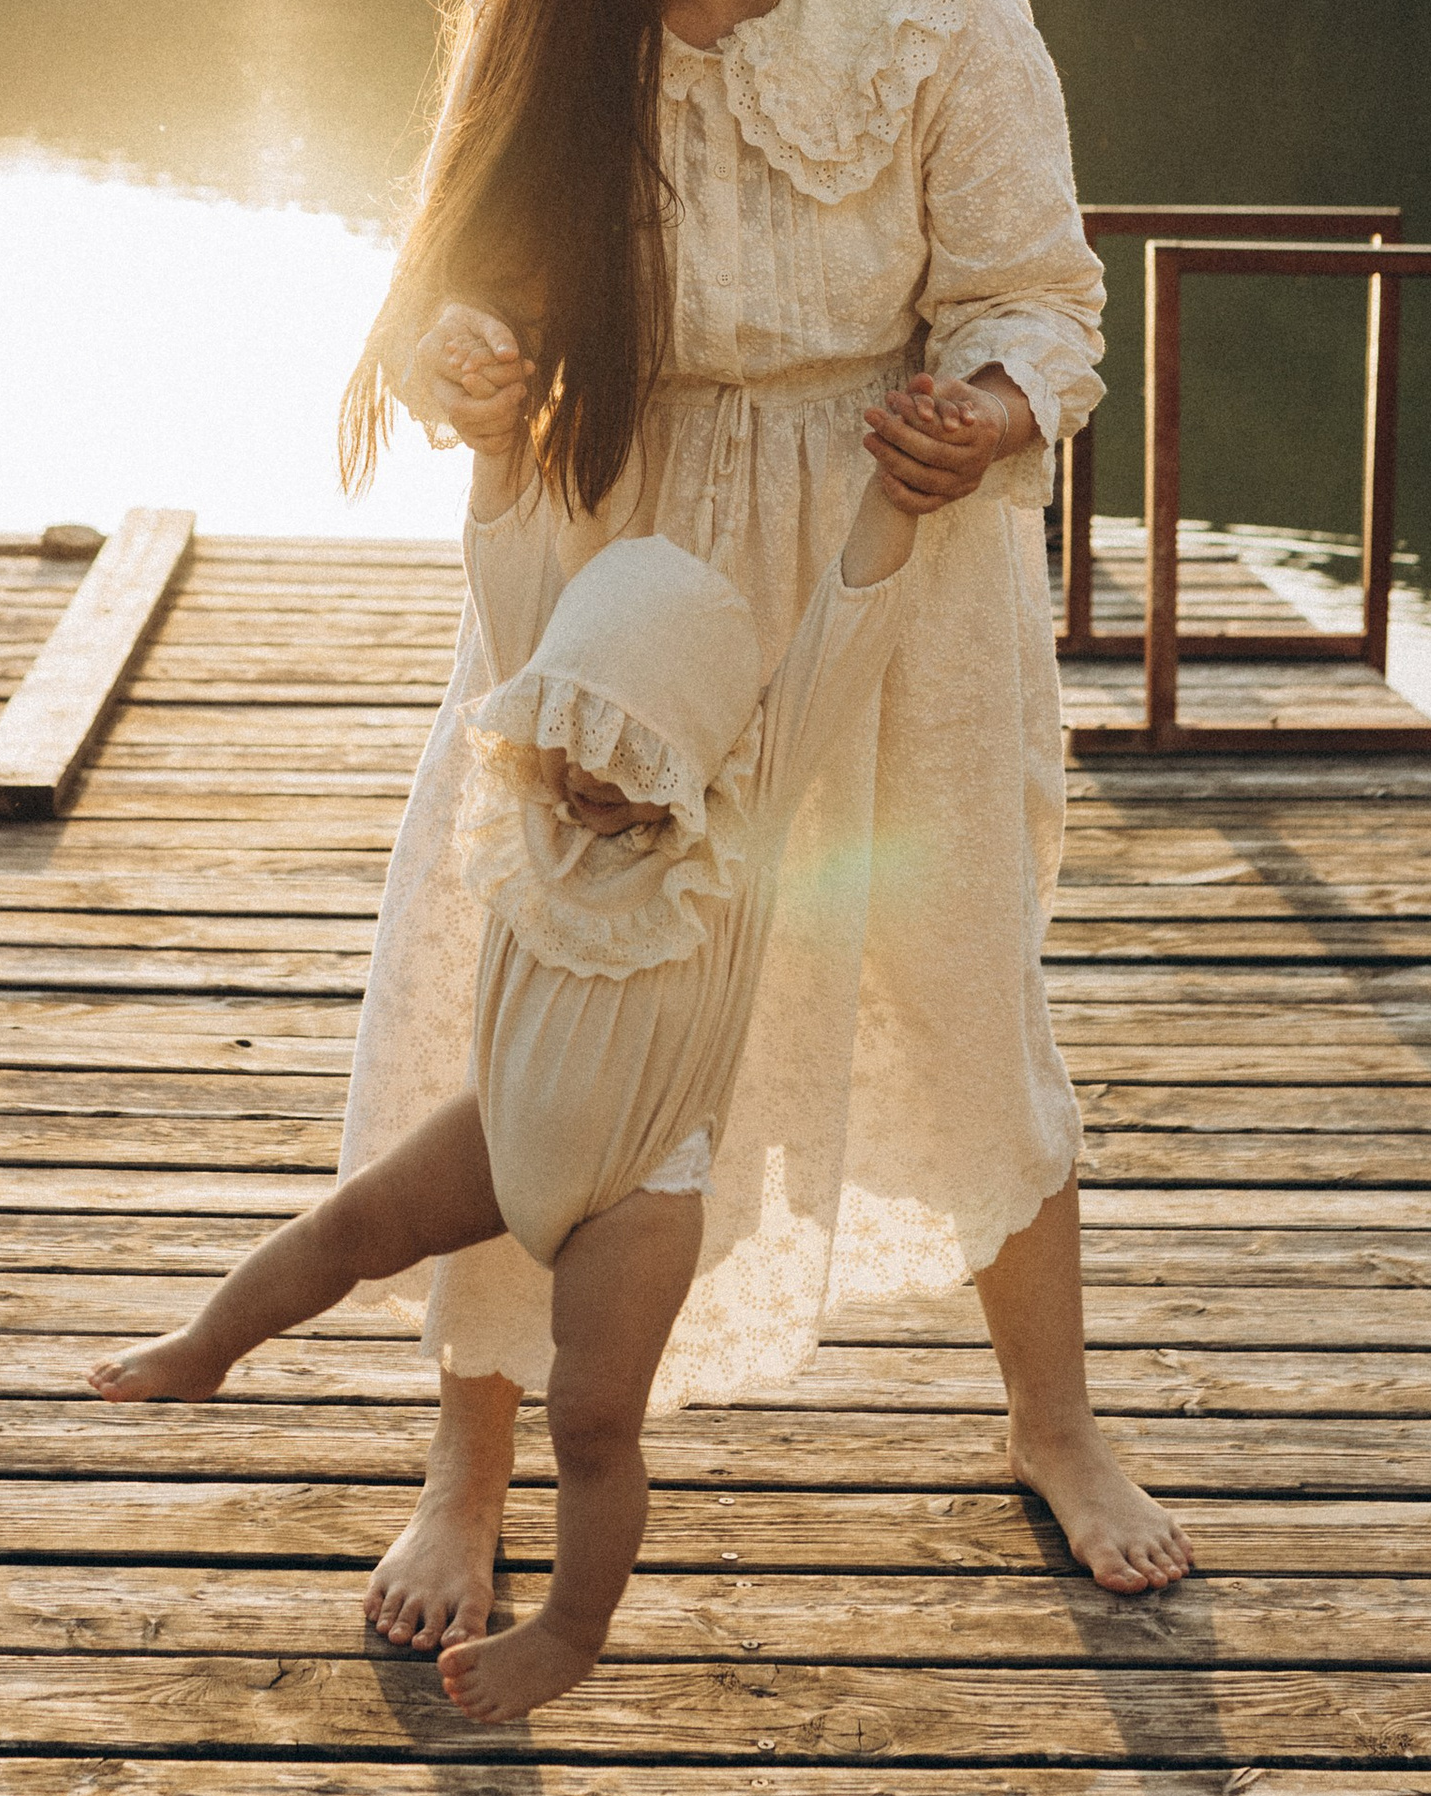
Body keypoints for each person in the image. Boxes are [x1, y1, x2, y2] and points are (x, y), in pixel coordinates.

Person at [339, 0, 1196, 1630]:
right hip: (618, 566)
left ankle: (1053, 1421)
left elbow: (1039, 296)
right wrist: (460, 343)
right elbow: (459, 281)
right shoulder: (543, 8)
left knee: (953, 960)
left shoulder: (942, 3)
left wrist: (977, 406)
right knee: (515, 980)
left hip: (883, 558)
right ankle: (464, 1470)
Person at [92, 453, 922, 1721]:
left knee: (593, 1421)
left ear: (693, 743)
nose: (590, 775)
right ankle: (210, 1343)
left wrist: (896, 503)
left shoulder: (733, 830)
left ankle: (572, 1629)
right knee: (348, 1228)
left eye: (627, 747)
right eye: (574, 730)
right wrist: (497, 450)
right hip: (499, 1130)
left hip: (641, 1183)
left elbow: (842, 627)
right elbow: (510, 569)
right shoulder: (527, 804)